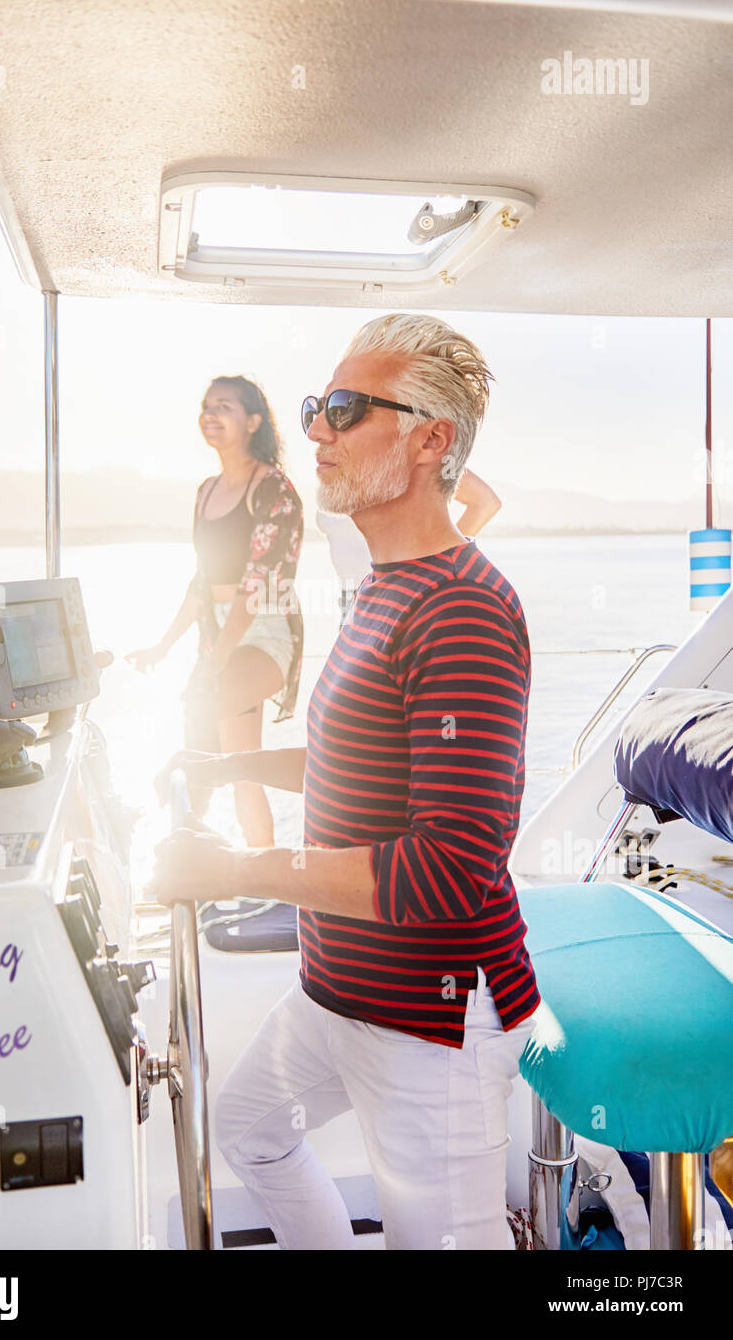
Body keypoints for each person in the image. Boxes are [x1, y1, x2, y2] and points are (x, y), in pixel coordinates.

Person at [151, 314, 540, 1249]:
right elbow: (348, 753)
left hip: (430, 1016)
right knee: (247, 1134)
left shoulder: (466, 615)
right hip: (337, 988)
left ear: (429, 441)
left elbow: (447, 869)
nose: (316, 429)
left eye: (343, 410)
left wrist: (239, 872)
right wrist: (230, 764)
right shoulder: (381, 587)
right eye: (315, 408)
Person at [126, 376, 303, 848]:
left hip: (264, 630)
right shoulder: (206, 491)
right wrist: (160, 649)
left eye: (223, 406)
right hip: (216, 634)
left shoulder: (274, 489)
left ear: (253, 421)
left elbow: (257, 587)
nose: (210, 413)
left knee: (209, 714)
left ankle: (187, 814)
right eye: (206, 405)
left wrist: (214, 661)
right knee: (242, 766)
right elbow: (201, 584)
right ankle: (205, 857)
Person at [317, 465, 502, 623]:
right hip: (350, 603)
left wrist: (438, 563)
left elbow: (485, 502)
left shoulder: (412, 458)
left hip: (396, 603)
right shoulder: (333, 457)